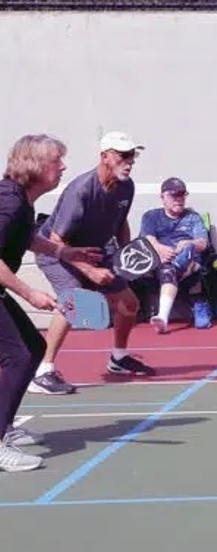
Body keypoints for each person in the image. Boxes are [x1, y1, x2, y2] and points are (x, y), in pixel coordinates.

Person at [0, 135, 102, 470]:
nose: (63, 167)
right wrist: (29, 293)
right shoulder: (10, 202)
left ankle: (6, 427)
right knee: (19, 355)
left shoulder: (21, 201)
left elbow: (24, 236)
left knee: (30, 350)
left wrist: (63, 251)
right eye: (57, 161)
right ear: (37, 167)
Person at [29, 130, 156, 396]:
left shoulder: (126, 186)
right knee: (73, 301)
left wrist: (124, 260)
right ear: (105, 156)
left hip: (97, 251)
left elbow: (121, 224)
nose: (130, 161)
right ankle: (43, 371)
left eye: (132, 155)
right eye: (123, 155)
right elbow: (56, 240)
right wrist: (90, 271)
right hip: (56, 252)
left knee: (129, 304)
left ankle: (118, 359)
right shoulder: (82, 190)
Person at [138, 176, 212, 333]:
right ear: (162, 197)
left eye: (182, 195)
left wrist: (189, 243)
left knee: (185, 252)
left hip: (188, 262)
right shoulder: (151, 216)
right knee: (162, 265)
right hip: (161, 261)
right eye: (174, 195)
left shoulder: (193, 217)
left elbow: (203, 243)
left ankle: (163, 317)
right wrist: (160, 248)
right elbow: (148, 238)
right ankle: (161, 317)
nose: (179, 199)